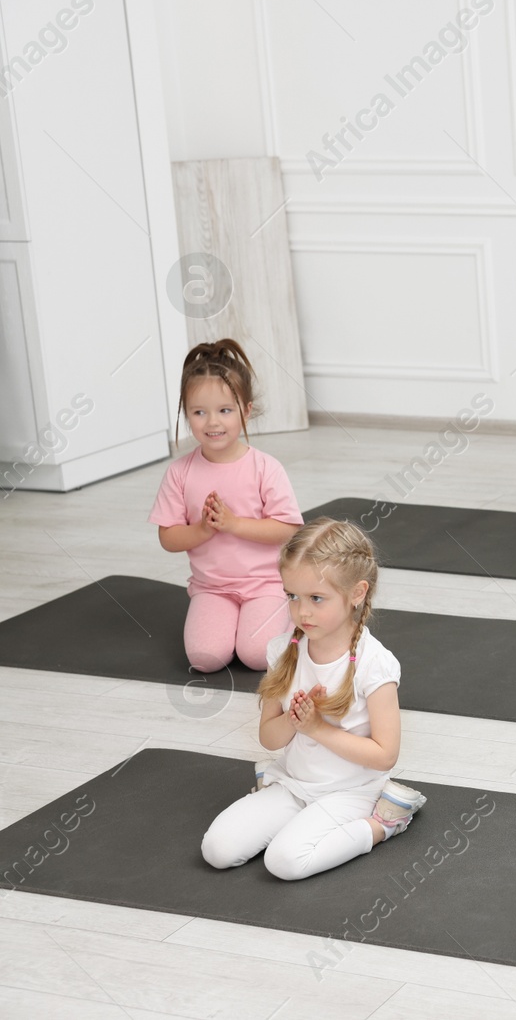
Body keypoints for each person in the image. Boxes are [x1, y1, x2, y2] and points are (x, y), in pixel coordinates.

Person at [200, 518, 426, 880]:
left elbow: (385, 756)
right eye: (292, 596)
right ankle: (276, 795)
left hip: (352, 792)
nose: (301, 611)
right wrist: (294, 720)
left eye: (316, 598)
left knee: (284, 862)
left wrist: (317, 728)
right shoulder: (282, 651)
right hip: (294, 782)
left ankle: (387, 821)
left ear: (357, 593)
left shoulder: (375, 664)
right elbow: (268, 738)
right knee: (216, 850)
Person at [149, 340, 301, 671]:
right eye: (199, 412)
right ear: (186, 414)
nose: (212, 422)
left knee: (258, 656)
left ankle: (290, 619)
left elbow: (287, 529)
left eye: (225, 410)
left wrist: (234, 524)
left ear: (245, 410)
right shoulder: (179, 472)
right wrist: (203, 529)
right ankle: (232, 626)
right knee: (205, 659)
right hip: (211, 589)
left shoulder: (265, 467)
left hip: (266, 585)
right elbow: (168, 538)